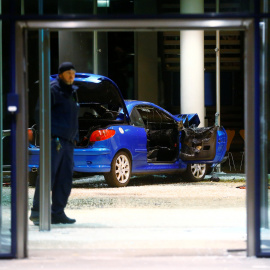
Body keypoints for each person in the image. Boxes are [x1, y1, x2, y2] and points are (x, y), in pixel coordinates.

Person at [30, 62, 79, 225]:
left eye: (73, 73)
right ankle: (37, 212)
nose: (71, 76)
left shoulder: (72, 92)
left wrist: (74, 137)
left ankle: (57, 212)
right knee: (47, 176)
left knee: (65, 178)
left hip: (68, 141)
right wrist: (50, 134)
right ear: (60, 75)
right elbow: (40, 113)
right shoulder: (52, 90)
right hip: (54, 140)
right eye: (68, 73)